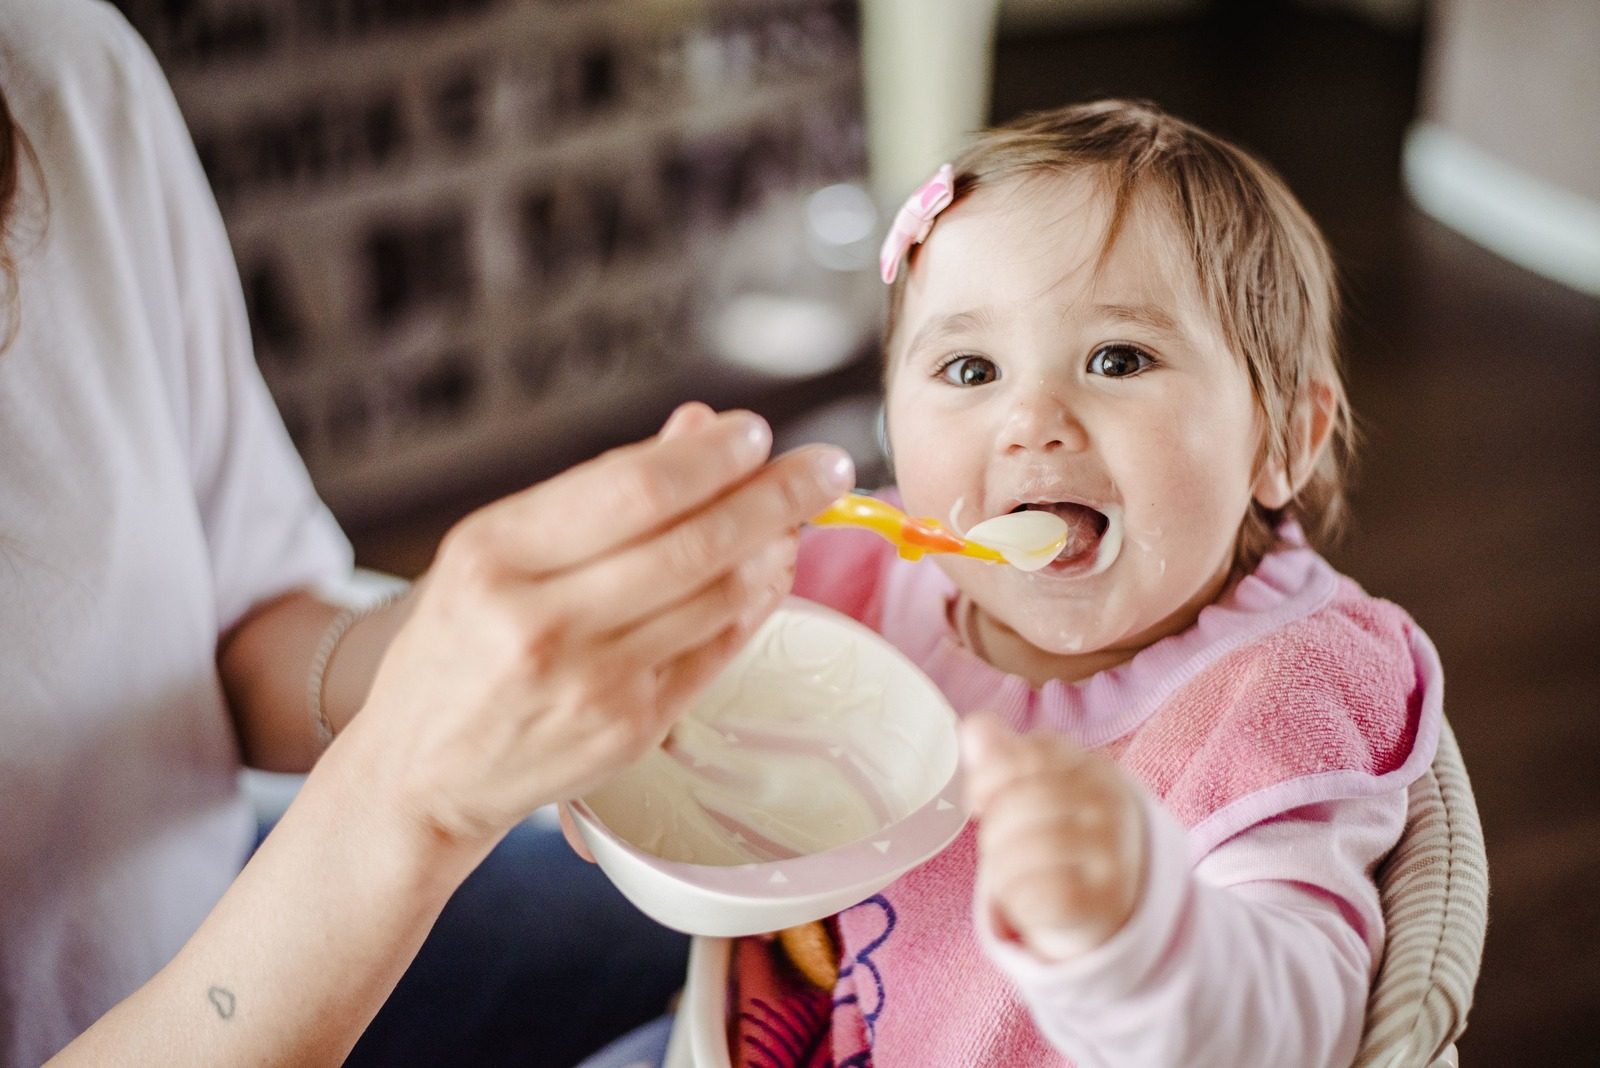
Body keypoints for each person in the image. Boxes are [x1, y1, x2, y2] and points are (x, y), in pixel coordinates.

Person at [0, 2, 855, 1065]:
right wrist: (415, 790)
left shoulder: (55, 67)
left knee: (801, 965)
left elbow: (243, 628)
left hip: (236, 881)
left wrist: (479, 655)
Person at [582, 99, 1445, 1067]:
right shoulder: (848, 581)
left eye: (1117, 359)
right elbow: (653, 697)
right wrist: (663, 587)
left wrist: (1141, 932)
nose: (1030, 419)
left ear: (1284, 439)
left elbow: (1305, 1026)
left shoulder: (1274, 696)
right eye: (969, 367)